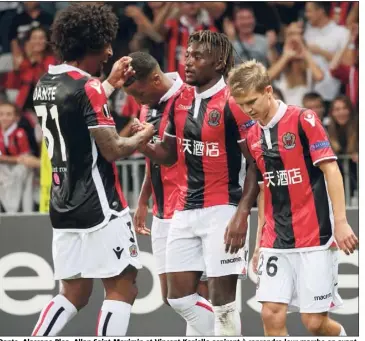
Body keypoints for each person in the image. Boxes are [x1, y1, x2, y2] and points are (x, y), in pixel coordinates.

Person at [31, 4, 154, 336]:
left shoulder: (44, 82)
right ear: (90, 44)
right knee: (123, 287)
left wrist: (108, 84)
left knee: (73, 293)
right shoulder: (88, 88)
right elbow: (113, 149)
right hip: (100, 205)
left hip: (64, 204)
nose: (110, 52)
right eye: (105, 44)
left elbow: (78, 108)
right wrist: (144, 134)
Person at [132, 31, 259, 336]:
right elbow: (168, 155)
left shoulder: (234, 101)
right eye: (187, 55)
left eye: (197, 57)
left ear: (218, 63)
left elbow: (256, 162)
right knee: (177, 297)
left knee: (223, 304)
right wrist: (140, 142)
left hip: (223, 210)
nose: (188, 62)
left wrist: (242, 213)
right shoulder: (180, 99)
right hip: (185, 210)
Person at [228, 59, 358, 337]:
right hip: (276, 239)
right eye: (241, 104)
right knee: (270, 315)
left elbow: (332, 170)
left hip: (315, 236)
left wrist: (342, 222)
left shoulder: (303, 119)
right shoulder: (251, 135)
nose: (248, 109)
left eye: (251, 100)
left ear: (268, 91)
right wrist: (259, 241)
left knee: (314, 323)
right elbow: (266, 189)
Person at [123, 51, 209, 336]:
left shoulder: (188, 97)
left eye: (139, 94)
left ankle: (227, 327)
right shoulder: (148, 105)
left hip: (189, 207)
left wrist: (138, 142)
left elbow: (171, 156)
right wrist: (143, 198)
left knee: (195, 293)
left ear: (156, 78)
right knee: (171, 297)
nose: (138, 102)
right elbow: (154, 158)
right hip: (161, 210)